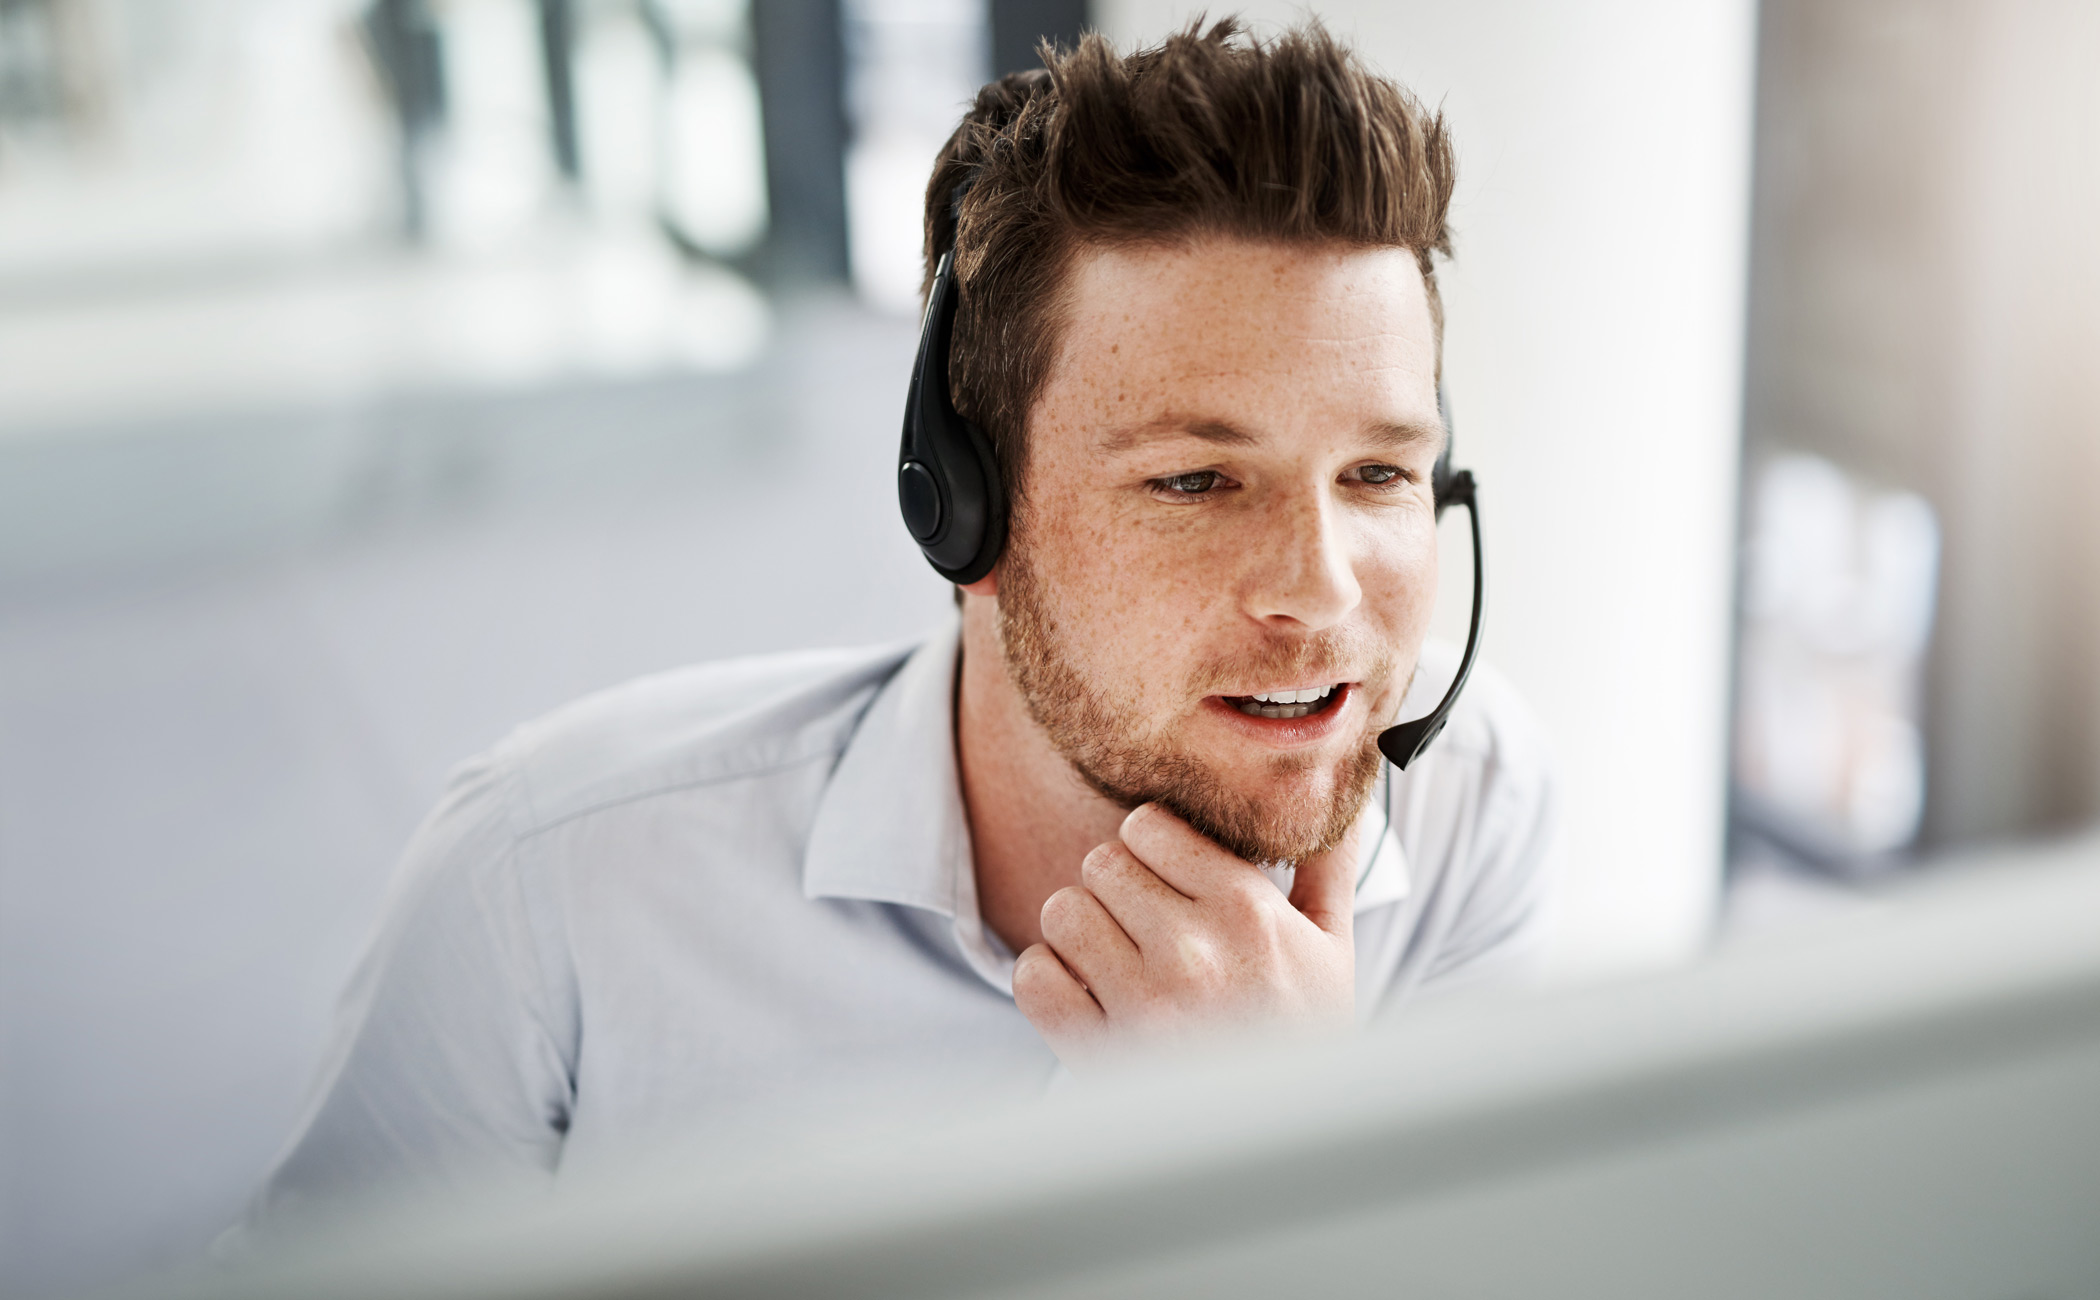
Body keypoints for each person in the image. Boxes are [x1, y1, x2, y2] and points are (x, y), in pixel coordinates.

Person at [248, 17, 1556, 1224]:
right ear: (964, 512)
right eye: (1196, 480)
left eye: (1379, 473)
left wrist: (1297, 1146)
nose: (1322, 591)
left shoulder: (1473, 817)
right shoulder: (549, 894)